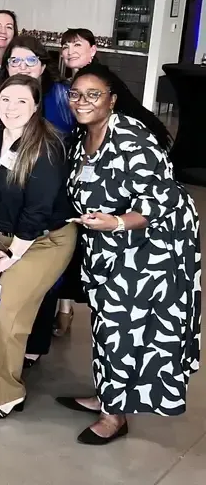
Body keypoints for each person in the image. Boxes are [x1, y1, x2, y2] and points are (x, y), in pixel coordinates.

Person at [58, 63, 201, 445]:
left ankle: (114, 416)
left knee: (124, 330)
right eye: (76, 94)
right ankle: (106, 396)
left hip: (149, 249)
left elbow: (162, 200)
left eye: (93, 95)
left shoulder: (131, 138)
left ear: (112, 100)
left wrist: (118, 223)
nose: (82, 101)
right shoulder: (83, 135)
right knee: (106, 326)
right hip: (107, 245)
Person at [0, 75, 77, 419]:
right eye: (5, 99)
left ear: (35, 107)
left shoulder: (48, 146)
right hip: (1, 234)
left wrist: (10, 255)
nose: (11, 108)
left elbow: (37, 212)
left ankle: (7, 392)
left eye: (21, 101)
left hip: (45, 240)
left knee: (5, 311)